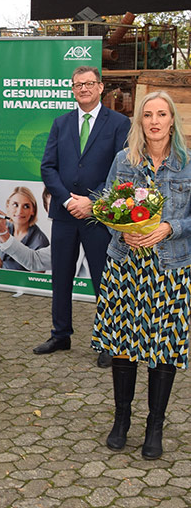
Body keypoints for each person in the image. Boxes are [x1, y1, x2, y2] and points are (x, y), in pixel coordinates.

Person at [93, 91, 190, 460]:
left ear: (171, 121)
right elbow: (106, 201)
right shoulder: (124, 160)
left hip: (169, 269)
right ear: (140, 122)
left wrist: (169, 227)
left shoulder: (187, 165)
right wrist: (122, 228)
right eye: (147, 114)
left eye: (161, 114)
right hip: (126, 265)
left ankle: (155, 425)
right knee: (123, 343)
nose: (154, 121)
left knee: (163, 347)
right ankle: (122, 420)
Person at [37, 65, 130, 368]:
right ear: (72, 90)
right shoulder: (60, 123)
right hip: (65, 214)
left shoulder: (119, 124)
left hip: (99, 216)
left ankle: (108, 340)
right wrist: (66, 200)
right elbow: (47, 167)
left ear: (101, 87)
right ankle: (60, 334)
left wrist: (92, 201)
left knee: (104, 278)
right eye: (78, 85)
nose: (84, 89)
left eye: (89, 84)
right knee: (61, 276)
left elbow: (122, 172)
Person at [0, 186, 49, 271]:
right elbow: (0, 264)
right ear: (8, 206)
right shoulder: (4, 228)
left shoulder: (40, 240)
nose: (20, 211)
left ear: (33, 210)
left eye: (26, 206)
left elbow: (35, 278)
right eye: (15, 205)